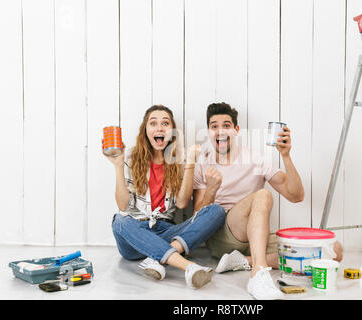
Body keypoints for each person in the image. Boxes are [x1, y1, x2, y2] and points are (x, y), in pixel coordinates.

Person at [193, 102, 343, 299]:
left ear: (236, 130)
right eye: (214, 126)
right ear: (208, 132)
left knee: (333, 251)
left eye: (226, 125)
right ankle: (259, 272)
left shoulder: (256, 159)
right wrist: (211, 190)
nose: (220, 130)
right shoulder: (203, 161)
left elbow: (296, 196)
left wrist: (286, 156)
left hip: (254, 235)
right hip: (222, 234)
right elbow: (197, 218)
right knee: (263, 195)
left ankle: (244, 260)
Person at [105, 105, 226, 290]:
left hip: (164, 233)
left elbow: (181, 202)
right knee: (119, 221)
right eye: (153, 123)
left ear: (172, 132)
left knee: (216, 211)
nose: (160, 128)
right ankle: (188, 267)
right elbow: (122, 205)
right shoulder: (129, 157)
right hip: (134, 233)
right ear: (145, 130)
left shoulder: (178, 161)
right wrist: (118, 166)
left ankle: (156, 259)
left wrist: (190, 163)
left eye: (165, 123)